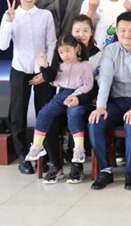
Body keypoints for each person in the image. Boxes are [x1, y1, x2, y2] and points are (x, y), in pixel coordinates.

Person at [88, 12, 131, 191]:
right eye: (123, 30)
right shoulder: (110, 50)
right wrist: (100, 107)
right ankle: (105, 171)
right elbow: (105, 79)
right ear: (117, 31)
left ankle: (130, 171)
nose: (127, 34)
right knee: (95, 121)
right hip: (116, 101)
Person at [0, 0, 57, 174]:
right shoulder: (10, 15)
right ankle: (22, 155)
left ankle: (46, 154)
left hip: (42, 70)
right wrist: (8, 22)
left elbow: (51, 44)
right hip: (20, 69)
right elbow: (2, 45)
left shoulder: (45, 15)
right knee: (18, 114)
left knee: (44, 113)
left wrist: (45, 70)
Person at [24, 35, 94, 173]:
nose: (65, 55)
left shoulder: (85, 65)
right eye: (61, 52)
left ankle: (78, 149)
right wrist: (44, 66)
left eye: (68, 50)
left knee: (74, 114)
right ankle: (37, 146)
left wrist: (75, 96)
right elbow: (51, 79)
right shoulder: (60, 66)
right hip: (61, 95)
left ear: (76, 49)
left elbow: (88, 85)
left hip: (77, 95)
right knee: (44, 113)